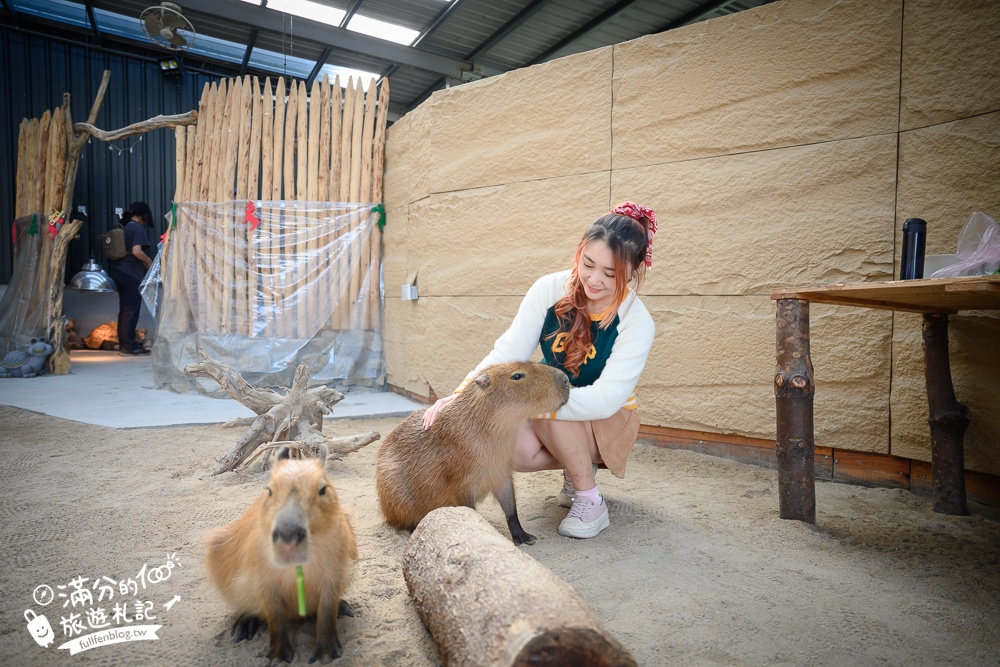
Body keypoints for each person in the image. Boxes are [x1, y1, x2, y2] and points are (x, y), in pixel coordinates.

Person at [423, 202, 657, 539]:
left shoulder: (636, 320)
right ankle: (575, 468)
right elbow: (508, 351)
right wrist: (459, 396)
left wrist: (540, 402)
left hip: (610, 421)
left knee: (546, 404)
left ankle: (590, 499)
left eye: (610, 274)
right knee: (507, 442)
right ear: (579, 252)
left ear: (632, 273)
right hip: (556, 406)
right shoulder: (549, 289)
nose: (593, 279)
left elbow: (608, 399)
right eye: (588, 264)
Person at [108, 201, 155, 356]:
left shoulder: (125, 227)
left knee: (124, 310)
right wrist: (149, 261)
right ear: (143, 215)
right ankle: (129, 346)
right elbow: (136, 251)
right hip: (131, 273)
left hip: (118, 271)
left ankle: (124, 344)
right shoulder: (137, 228)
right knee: (131, 310)